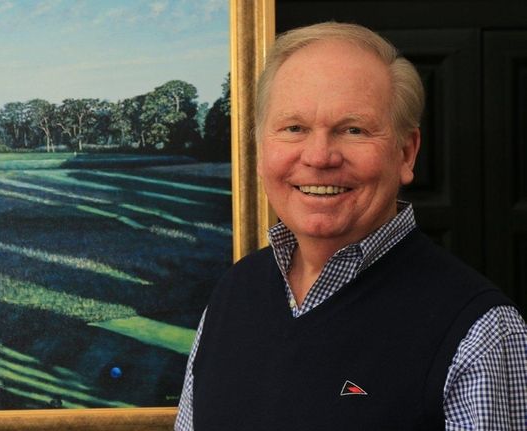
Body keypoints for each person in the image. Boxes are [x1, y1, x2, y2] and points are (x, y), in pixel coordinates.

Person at [175, 22, 527, 430]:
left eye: (353, 130)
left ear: (406, 153)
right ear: (260, 148)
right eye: (294, 128)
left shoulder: (479, 333)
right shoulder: (232, 294)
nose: (320, 156)